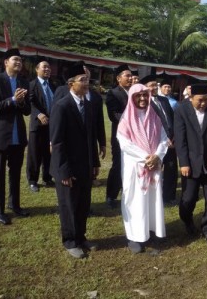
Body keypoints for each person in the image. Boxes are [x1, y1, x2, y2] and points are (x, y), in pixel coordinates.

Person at [50, 62, 100, 258]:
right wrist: (63, 171)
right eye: (82, 80)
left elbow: (91, 137)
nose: (86, 83)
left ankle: (81, 236)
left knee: (83, 204)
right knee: (68, 205)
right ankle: (70, 240)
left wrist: (94, 163)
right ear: (71, 83)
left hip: (85, 166)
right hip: (68, 167)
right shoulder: (62, 106)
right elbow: (58, 142)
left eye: (87, 80)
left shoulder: (88, 106)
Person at [117, 83, 168, 253]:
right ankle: (134, 236)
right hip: (135, 168)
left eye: (145, 95)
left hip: (153, 167)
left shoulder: (155, 117)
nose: (142, 99)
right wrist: (146, 158)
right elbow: (125, 144)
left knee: (152, 200)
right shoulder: (126, 119)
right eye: (138, 96)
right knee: (134, 201)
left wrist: (157, 156)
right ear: (132, 98)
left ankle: (151, 230)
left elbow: (163, 139)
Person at [174, 83, 207, 245]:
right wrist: (183, 163)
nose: (203, 103)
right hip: (191, 161)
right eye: (199, 101)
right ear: (191, 98)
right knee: (188, 198)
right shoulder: (182, 110)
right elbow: (180, 138)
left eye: (206, 100)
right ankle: (187, 220)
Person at [0, 47, 31, 225]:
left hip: (17, 136)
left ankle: (15, 204)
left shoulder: (24, 82)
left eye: (20, 60)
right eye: (15, 60)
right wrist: (12, 99)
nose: (19, 63)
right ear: (6, 63)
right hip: (0, 135)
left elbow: (27, 111)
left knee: (15, 172)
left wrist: (20, 102)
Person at [142, 75, 177, 206]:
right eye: (151, 85)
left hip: (171, 140)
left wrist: (174, 137)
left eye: (155, 85)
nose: (154, 88)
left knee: (171, 168)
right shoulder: (144, 102)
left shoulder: (163, 100)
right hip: (156, 141)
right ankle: (153, 196)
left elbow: (171, 119)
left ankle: (169, 196)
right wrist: (163, 138)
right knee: (155, 169)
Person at [105, 64, 133, 207]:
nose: (130, 78)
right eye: (127, 76)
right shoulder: (113, 93)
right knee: (117, 164)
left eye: (131, 76)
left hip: (136, 137)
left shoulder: (135, 92)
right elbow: (114, 115)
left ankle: (127, 193)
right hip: (120, 136)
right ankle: (111, 195)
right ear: (118, 78)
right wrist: (134, 121)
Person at [26, 59, 55, 192]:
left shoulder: (53, 85)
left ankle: (47, 177)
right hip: (37, 125)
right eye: (44, 67)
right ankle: (33, 180)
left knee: (48, 153)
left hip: (51, 125)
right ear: (37, 69)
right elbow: (30, 102)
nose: (47, 69)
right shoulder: (32, 85)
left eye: (49, 67)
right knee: (34, 153)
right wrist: (39, 114)